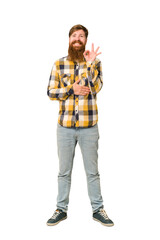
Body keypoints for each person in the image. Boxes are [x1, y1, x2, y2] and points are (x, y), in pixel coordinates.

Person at [46, 24, 114, 227]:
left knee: (92, 172)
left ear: (85, 40)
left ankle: (97, 209)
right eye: (74, 35)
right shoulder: (59, 64)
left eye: (81, 36)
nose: (77, 38)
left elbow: (96, 88)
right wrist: (71, 89)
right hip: (65, 127)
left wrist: (90, 64)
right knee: (64, 171)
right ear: (69, 39)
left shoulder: (96, 63)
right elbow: (50, 92)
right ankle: (61, 209)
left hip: (89, 127)